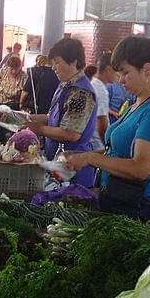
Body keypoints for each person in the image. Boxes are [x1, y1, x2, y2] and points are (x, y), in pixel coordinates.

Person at [66, 36, 150, 232]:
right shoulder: (135, 105)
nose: (121, 80)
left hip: (139, 210)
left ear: (147, 70)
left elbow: (140, 169)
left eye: (126, 73)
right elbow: (116, 152)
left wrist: (90, 158)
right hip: (119, 201)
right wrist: (80, 157)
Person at [25, 38, 97, 187]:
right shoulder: (66, 85)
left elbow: (71, 133)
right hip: (59, 163)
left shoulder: (80, 92)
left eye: (57, 62)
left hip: (73, 167)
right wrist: (27, 118)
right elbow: (55, 118)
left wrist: (40, 129)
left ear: (73, 62)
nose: (53, 68)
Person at [90, 53, 117, 152]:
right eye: (117, 72)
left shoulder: (93, 84)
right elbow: (101, 121)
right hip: (97, 144)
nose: (119, 76)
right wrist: (107, 145)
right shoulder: (100, 90)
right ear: (108, 69)